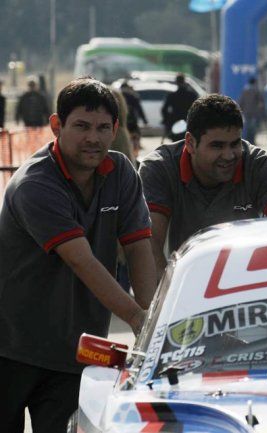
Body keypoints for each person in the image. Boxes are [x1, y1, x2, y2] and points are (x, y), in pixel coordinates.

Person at [0, 78, 155, 433]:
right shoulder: (36, 184)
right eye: (81, 126)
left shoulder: (122, 174)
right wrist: (136, 317)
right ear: (57, 126)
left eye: (103, 128)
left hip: (76, 352)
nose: (93, 138)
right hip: (9, 347)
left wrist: (153, 322)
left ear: (116, 128)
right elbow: (80, 260)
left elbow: (138, 247)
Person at [139, 94, 267, 278]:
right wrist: (167, 299)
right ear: (190, 143)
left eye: (235, 144)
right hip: (182, 287)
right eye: (217, 146)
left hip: (248, 286)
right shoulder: (159, 169)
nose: (229, 155)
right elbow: (148, 246)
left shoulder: (260, 166)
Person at [161, 73, 198, 142]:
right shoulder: (192, 95)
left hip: (175, 123)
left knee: (176, 145)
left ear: (176, 82)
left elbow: (164, 109)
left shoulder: (172, 95)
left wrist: (167, 120)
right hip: (188, 123)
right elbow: (197, 109)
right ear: (184, 82)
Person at [119, 81, 147, 159]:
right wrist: (145, 120)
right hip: (133, 122)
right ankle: (135, 153)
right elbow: (139, 109)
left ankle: (126, 153)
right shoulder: (133, 96)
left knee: (125, 139)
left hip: (122, 123)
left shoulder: (117, 97)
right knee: (135, 137)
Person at [238, 76, 263, 144]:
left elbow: (241, 101)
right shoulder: (256, 90)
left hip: (246, 112)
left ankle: (247, 141)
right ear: (254, 82)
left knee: (247, 127)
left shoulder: (245, 90)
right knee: (253, 128)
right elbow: (260, 101)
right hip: (254, 112)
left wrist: (241, 110)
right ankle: (252, 141)